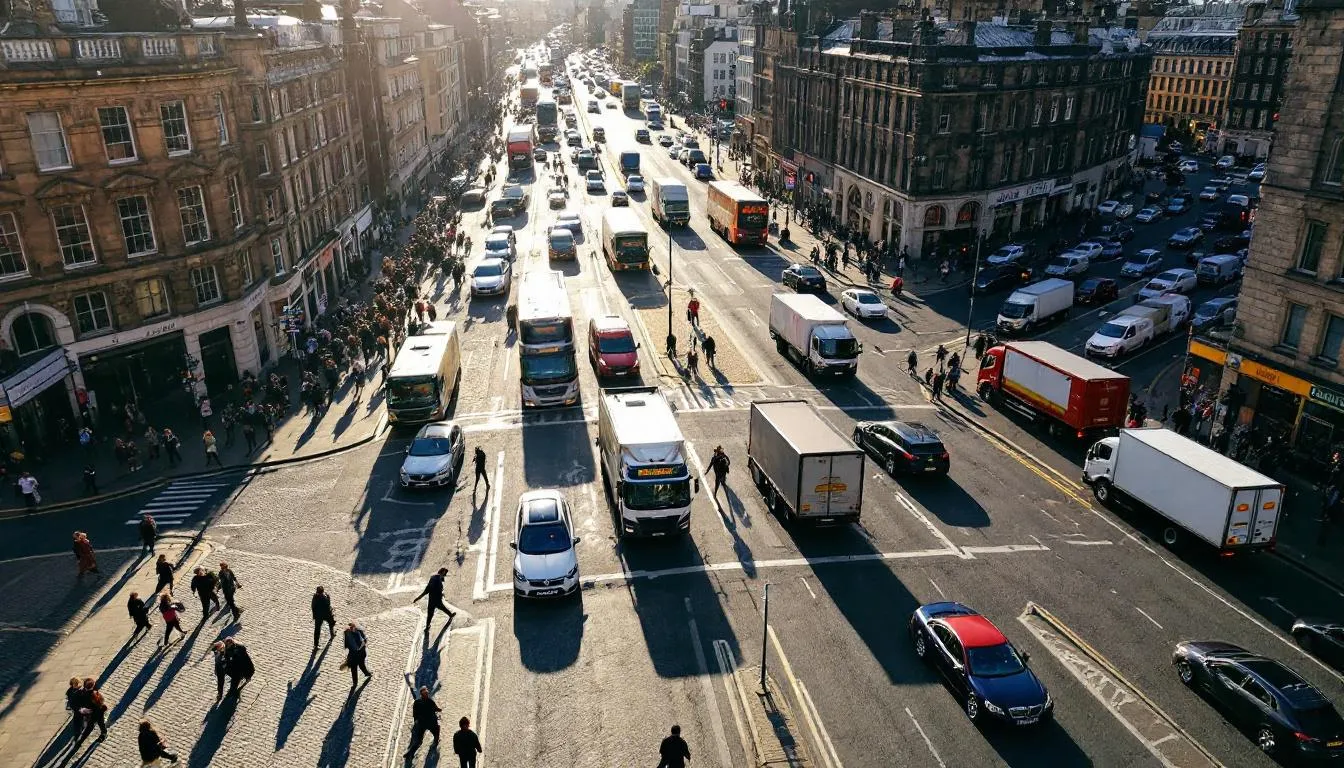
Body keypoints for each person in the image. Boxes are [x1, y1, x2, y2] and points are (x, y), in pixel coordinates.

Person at [414, 567, 457, 633]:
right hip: (436, 600)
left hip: (432, 600)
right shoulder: (436, 579)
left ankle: (427, 627)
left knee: (431, 613)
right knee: (441, 608)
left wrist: (418, 597)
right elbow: (428, 589)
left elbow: (427, 590)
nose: (444, 576)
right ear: (442, 572)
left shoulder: (434, 578)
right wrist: (418, 598)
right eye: (444, 574)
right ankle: (450, 615)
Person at [404, 686, 442, 758]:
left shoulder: (417, 702)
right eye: (426, 693)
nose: (427, 695)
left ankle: (410, 752)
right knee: (436, 732)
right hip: (431, 722)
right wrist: (440, 709)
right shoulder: (430, 701)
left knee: (418, 740)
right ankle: (436, 742)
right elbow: (436, 709)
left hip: (422, 723)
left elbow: (415, 714)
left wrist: (416, 722)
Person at [76, 677, 108, 742]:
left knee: (89, 726)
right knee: (101, 723)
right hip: (97, 712)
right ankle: (104, 733)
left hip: (88, 713)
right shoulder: (95, 694)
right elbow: (101, 701)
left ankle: (81, 740)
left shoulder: (82, 693)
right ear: (93, 686)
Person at [342, 621, 372, 687]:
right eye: (349, 628)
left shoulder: (359, 632)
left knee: (361, 665)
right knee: (354, 669)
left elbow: (365, 640)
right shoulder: (347, 633)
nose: (350, 629)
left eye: (351, 627)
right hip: (353, 654)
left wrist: (361, 645)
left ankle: (367, 673)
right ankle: (355, 683)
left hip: (360, 653)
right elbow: (346, 644)